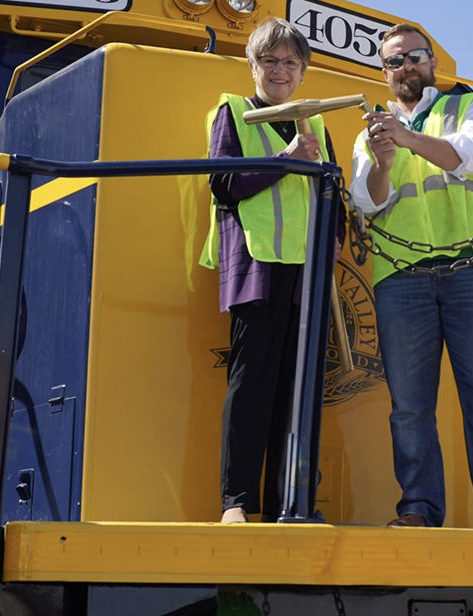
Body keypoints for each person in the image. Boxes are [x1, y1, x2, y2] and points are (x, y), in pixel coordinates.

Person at [349, 24, 473, 529]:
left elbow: (471, 156)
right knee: (409, 407)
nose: (406, 67)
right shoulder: (370, 133)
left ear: (432, 61)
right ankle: (418, 508)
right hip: (401, 279)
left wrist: (405, 137)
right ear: (384, 73)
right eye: (394, 62)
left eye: (414, 57)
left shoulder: (470, 107)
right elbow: (365, 200)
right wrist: (381, 163)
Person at [201, 19, 343, 524]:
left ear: (303, 71)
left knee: (298, 388)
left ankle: (292, 503)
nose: (279, 70)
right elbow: (221, 184)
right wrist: (286, 159)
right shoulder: (234, 112)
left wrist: (335, 243)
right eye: (270, 61)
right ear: (253, 66)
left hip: (307, 270)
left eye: (289, 62)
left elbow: (332, 193)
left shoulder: (317, 123)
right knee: (251, 384)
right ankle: (237, 502)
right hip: (256, 265)